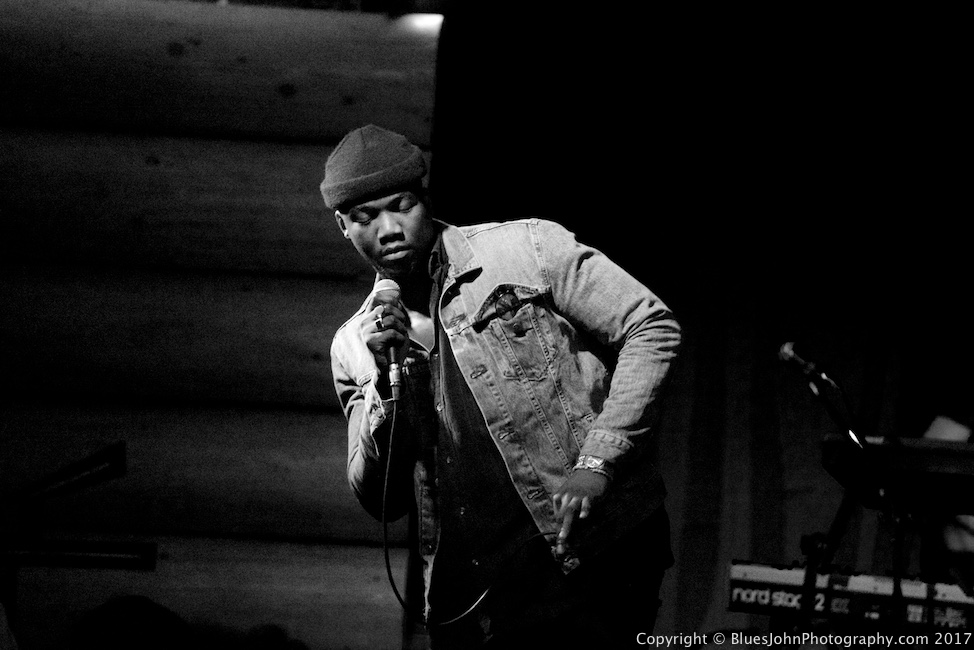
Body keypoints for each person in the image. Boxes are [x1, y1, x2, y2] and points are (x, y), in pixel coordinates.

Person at [323, 124, 682, 649]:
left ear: (425, 198)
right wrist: (385, 380)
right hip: (470, 593)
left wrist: (598, 460)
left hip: (588, 556)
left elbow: (651, 326)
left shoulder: (525, 247)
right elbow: (380, 498)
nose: (390, 228)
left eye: (401, 205)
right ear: (343, 226)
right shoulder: (354, 345)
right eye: (366, 217)